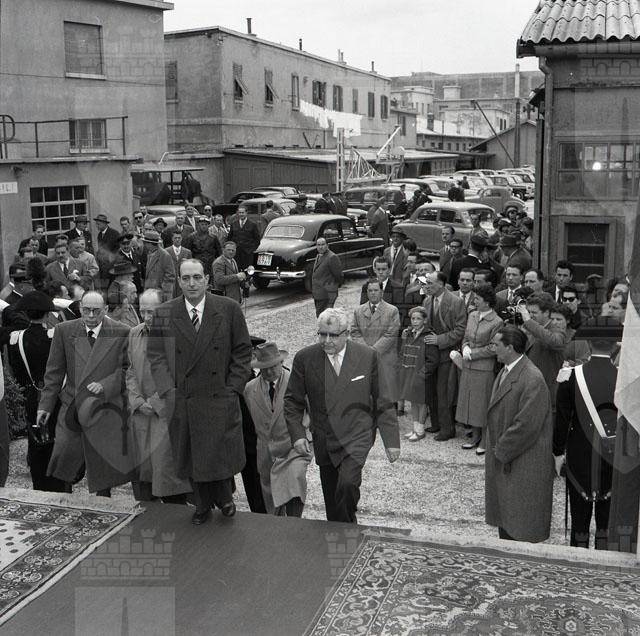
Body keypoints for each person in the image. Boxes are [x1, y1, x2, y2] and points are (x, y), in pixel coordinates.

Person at [147, 259, 252, 525]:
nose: (191, 283)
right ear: (179, 281)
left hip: (219, 394)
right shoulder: (164, 313)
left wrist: (233, 388)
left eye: (196, 277)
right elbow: (156, 356)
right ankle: (202, 505)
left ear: (207, 279)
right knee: (192, 454)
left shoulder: (228, 308)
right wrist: (168, 391)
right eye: (186, 278)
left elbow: (242, 350)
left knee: (219, 451)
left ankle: (224, 497)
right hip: (184, 397)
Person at [284, 308, 400, 523]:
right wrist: (298, 435)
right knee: (332, 498)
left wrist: (391, 441)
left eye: (333, 335)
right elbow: (292, 400)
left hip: (357, 436)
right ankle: (340, 532)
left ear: (346, 334)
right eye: (322, 334)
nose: (327, 341)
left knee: (347, 485)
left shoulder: (367, 356)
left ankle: (347, 528)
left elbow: (382, 399)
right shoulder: (305, 358)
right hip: (325, 438)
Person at [36, 291, 134, 495]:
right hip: (73, 405)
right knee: (65, 456)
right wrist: (45, 406)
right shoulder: (64, 330)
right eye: (86, 310)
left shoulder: (122, 332)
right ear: (80, 308)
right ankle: (64, 500)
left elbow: (128, 370)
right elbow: (54, 373)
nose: (90, 315)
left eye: (96, 311)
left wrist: (106, 385)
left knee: (102, 465)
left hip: (105, 406)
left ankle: (103, 501)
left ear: (105, 310)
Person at [554, 319, 622, 549]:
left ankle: (579, 555)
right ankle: (603, 554)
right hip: (613, 457)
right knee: (606, 520)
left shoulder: (570, 376)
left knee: (579, 520)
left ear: (589, 344)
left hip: (579, 453)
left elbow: (562, 420)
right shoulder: (624, 379)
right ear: (615, 346)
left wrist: (557, 453)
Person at [485, 325, 554, 542]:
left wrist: (500, 450)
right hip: (509, 459)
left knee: (520, 523)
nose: (493, 349)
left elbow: (527, 425)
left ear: (510, 348)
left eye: (496, 345)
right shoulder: (507, 370)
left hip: (522, 460)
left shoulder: (532, 378)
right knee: (507, 517)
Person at [126, 289, 191, 504]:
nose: (146, 317)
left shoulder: (175, 335)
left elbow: (178, 373)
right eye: (143, 311)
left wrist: (154, 402)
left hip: (165, 412)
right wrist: (137, 401)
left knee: (168, 475)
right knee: (144, 476)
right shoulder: (134, 333)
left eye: (151, 312)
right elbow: (130, 370)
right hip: (141, 415)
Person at [7, 291, 68, 492]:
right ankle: (59, 484)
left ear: (26, 314)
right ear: (47, 314)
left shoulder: (16, 338)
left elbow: (16, 372)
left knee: (35, 439)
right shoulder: (54, 335)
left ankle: (39, 484)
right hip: (56, 394)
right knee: (56, 438)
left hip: (32, 394)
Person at [244, 342, 311, 516]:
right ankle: (278, 528)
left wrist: (303, 433)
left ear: (281, 362)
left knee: (294, 483)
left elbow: (312, 411)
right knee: (272, 499)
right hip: (266, 452)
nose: (268, 372)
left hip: (293, 446)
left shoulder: (297, 382)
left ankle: (294, 523)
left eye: (272, 366)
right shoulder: (249, 389)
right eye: (264, 368)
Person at [452, 283, 502, 453]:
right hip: (468, 366)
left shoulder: (497, 321)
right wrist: (465, 346)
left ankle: (485, 440)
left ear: (487, 302)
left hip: (484, 368)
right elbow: (465, 336)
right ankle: (475, 436)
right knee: (470, 403)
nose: (474, 301)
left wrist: (473, 353)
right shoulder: (473, 315)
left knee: (482, 404)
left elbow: (494, 347)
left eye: (478, 299)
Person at [422, 271, 467, 440]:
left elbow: (460, 330)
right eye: (426, 283)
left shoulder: (456, 302)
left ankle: (448, 429)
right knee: (431, 389)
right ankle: (436, 423)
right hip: (431, 354)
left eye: (430, 283)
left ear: (440, 284)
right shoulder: (427, 301)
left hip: (448, 353)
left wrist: (439, 340)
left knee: (444, 392)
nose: (426, 286)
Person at [351, 278, 401, 404]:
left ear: (381, 292)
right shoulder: (358, 311)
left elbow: (391, 334)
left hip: (385, 357)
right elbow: (354, 332)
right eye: (370, 290)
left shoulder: (392, 310)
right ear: (367, 292)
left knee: (387, 396)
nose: (373, 293)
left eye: (376, 290)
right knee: (367, 393)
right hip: (365, 358)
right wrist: (366, 350)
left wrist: (373, 351)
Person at [399, 306, 439, 442]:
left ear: (425, 320)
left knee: (422, 403)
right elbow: (403, 352)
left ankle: (420, 430)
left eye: (418, 319)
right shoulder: (409, 334)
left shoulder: (428, 336)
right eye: (413, 318)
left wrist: (422, 375)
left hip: (422, 377)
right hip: (409, 374)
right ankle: (415, 428)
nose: (415, 321)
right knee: (413, 401)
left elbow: (432, 360)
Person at [311, 237, 343, 316]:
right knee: (320, 316)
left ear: (327, 245)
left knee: (324, 317)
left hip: (326, 294)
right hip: (318, 294)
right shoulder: (318, 256)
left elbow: (339, 275)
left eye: (323, 244)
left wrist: (332, 288)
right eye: (318, 245)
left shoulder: (332, 257)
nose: (320, 247)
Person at [142, 230, 176, 302]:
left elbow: (170, 276)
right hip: (149, 294)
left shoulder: (164, 255)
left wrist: (163, 293)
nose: (144, 245)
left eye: (145, 243)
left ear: (150, 244)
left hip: (159, 295)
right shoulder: (150, 253)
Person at [94, 214, 120, 289]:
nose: (97, 226)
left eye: (98, 224)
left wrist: (111, 259)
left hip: (112, 265)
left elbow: (118, 249)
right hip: (102, 266)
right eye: (96, 224)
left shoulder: (114, 233)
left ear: (104, 224)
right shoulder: (99, 235)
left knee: (112, 286)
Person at [164, 229, 192, 298]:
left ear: (182, 239)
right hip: (171, 281)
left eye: (179, 238)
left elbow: (190, 268)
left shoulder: (187, 252)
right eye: (175, 238)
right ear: (172, 239)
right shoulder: (166, 251)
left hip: (183, 280)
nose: (177, 240)